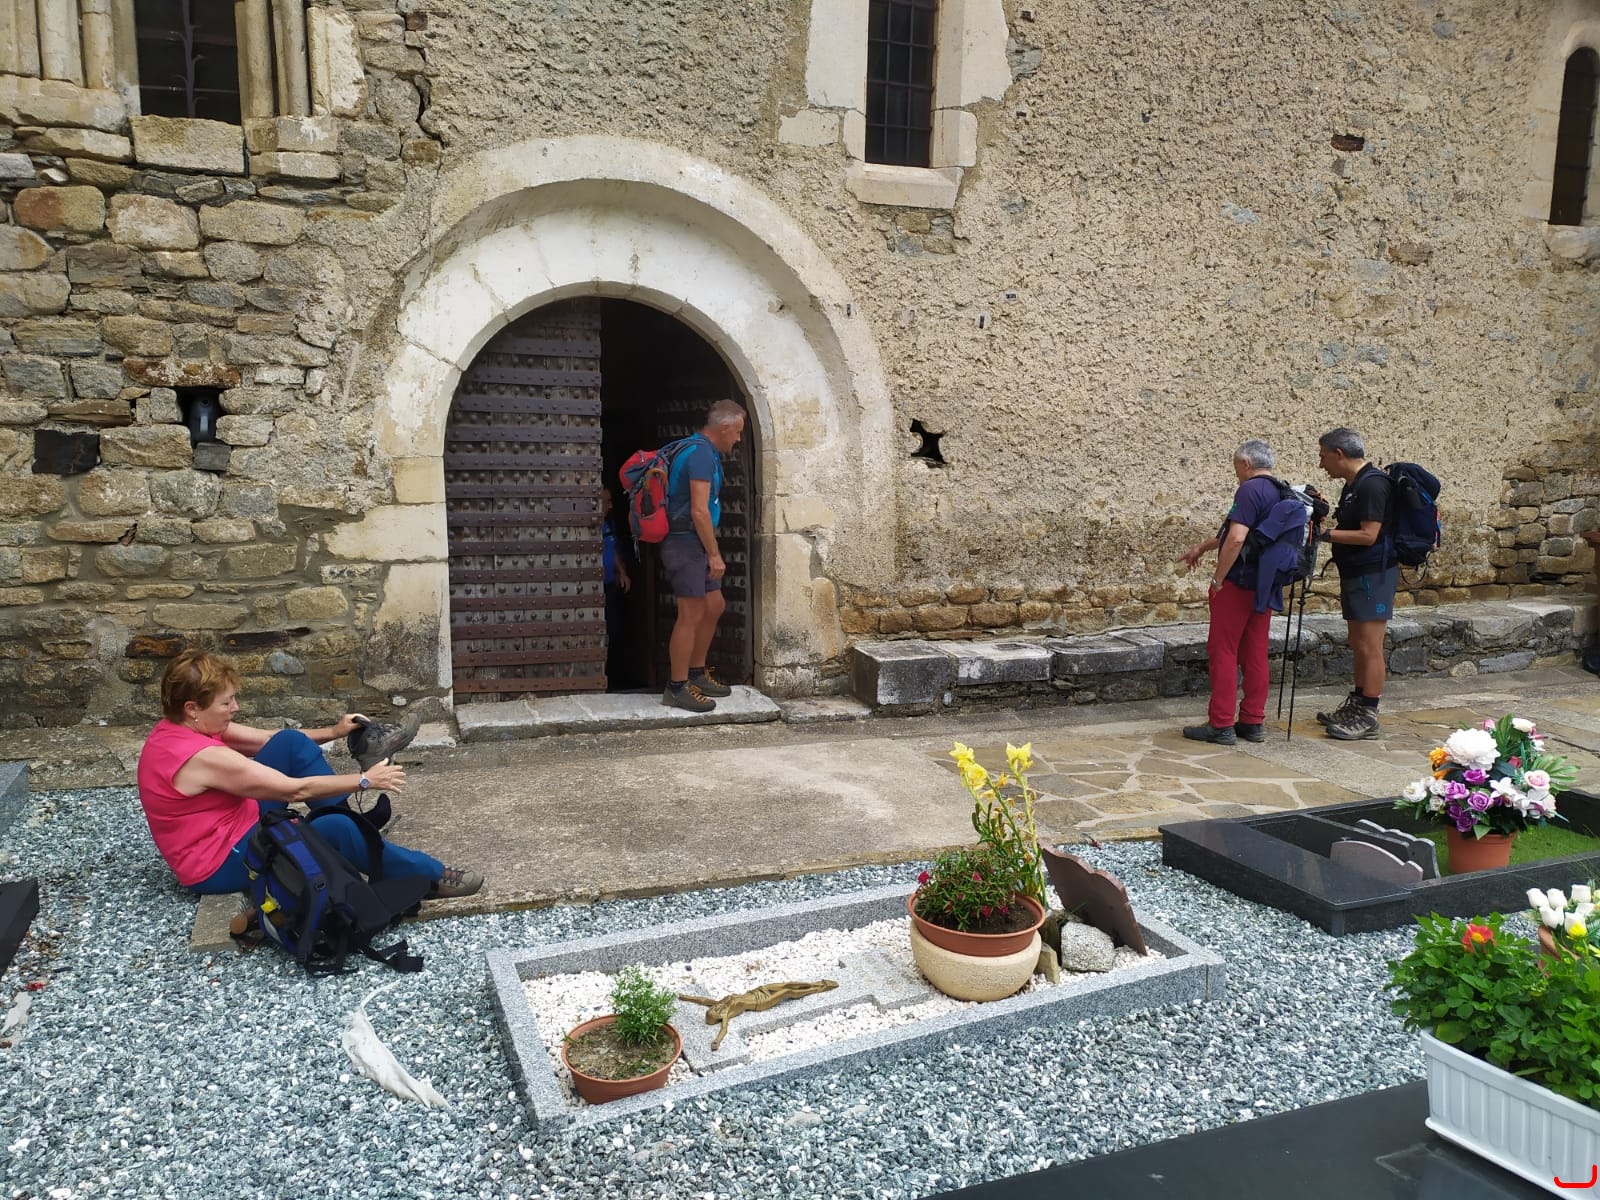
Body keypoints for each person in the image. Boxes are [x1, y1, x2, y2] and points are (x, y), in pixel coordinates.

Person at [136, 650, 482, 898]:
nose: (235, 708)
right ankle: (430, 876)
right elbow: (294, 790)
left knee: (290, 743)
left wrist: (334, 732)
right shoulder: (202, 756)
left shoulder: (181, 727)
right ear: (192, 708)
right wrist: (365, 781)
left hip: (238, 822)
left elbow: (268, 740)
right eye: (226, 703)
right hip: (221, 864)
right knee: (334, 829)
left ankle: (359, 828)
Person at [1176, 440, 1290, 746]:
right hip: (1265, 584)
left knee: (1223, 650)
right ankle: (1252, 721)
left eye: (1236, 465)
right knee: (1255, 652)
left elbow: (1237, 538)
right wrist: (1203, 546)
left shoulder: (1250, 490)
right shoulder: (1279, 491)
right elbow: (1246, 534)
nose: (1236, 472)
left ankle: (1221, 723)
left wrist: (1218, 579)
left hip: (1239, 582)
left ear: (1245, 464)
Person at [660, 398, 746, 712]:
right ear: (724, 427)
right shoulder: (700, 455)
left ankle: (696, 673)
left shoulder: (703, 451)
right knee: (692, 613)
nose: (738, 439)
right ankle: (677, 687)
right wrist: (714, 554)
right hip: (685, 542)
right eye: (737, 432)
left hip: (693, 542)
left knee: (714, 604)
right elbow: (699, 510)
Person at [1316, 427, 1397, 740]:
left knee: (1370, 644)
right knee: (1357, 641)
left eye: (1324, 457)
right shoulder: (1354, 485)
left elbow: (1368, 535)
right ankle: (1357, 703)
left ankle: (1368, 714)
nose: (1321, 464)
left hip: (1373, 573)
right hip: (1357, 572)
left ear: (1339, 454)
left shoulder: (1372, 485)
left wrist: (1325, 535)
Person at [600, 486, 634, 688]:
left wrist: (621, 572)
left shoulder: (607, 524)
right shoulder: (590, 526)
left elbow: (611, 548)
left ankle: (609, 677)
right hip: (594, 589)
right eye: (607, 501)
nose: (611, 505)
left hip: (609, 585)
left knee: (611, 631)